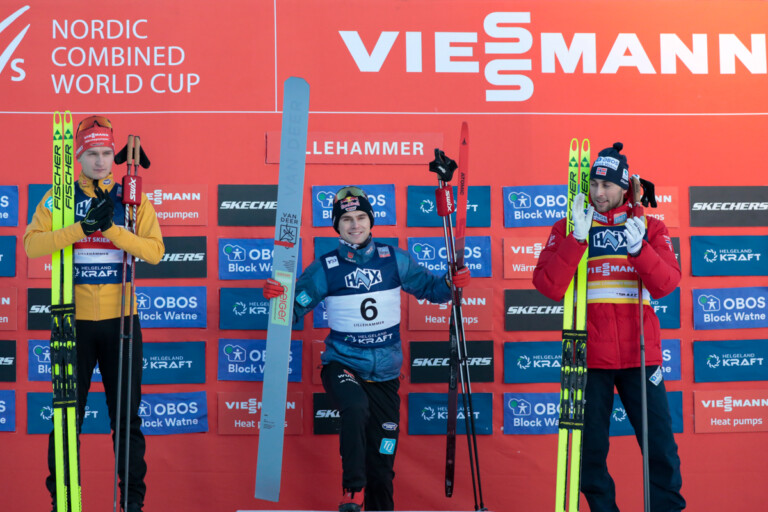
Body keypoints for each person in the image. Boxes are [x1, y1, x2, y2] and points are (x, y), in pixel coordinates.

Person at [262, 186, 470, 512]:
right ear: (337, 225)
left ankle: (375, 502)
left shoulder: (394, 259)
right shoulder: (326, 267)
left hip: (386, 374)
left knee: (383, 469)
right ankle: (353, 492)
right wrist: (278, 295)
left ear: (371, 221)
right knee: (355, 407)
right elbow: (289, 311)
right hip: (343, 364)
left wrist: (450, 283)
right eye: (346, 219)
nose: (355, 225)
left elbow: (431, 289)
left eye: (361, 217)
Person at [532, 143, 685, 511]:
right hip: (588, 357)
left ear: (625, 188)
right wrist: (576, 240)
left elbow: (666, 284)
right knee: (589, 453)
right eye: (594, 184)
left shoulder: (649, 226)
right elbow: (548, 287)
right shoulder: (569, 225)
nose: (599, 193)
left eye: (607, 186)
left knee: (660, 446)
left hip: (639, 355)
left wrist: (640, 249)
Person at [24, 115, 164, 512]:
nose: (101, 161)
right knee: (67, 420)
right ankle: (63, 502)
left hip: (122, 321)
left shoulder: (131, 199)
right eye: (93, 154)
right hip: (72, 321)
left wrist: (113, 230)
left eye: (106, 153)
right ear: (79, 157)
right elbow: (32, 245)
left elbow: (154, 252)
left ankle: (131, 503)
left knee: (126, 420)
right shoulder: (58, 198)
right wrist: (80, 228)